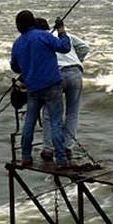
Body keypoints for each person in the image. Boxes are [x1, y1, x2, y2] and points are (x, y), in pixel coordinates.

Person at [9, 9, 72, 169]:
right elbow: (65, 47)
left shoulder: (17, 43)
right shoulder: (44, 35)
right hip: (52, 86)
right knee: (56, 122)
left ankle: (25, 157)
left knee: (29, 123)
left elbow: (15, 67)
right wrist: (61, 31)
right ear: (33, 22)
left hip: (33, 89)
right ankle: (61, 160)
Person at [34, 17, 90, 164]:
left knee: (49, 113)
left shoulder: (38, 40)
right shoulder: (67, 36)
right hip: (75, 73)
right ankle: (67, 147)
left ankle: (48, 148)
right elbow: (85, 48)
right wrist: (77, 61)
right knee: (72, 112)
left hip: (56, 74)